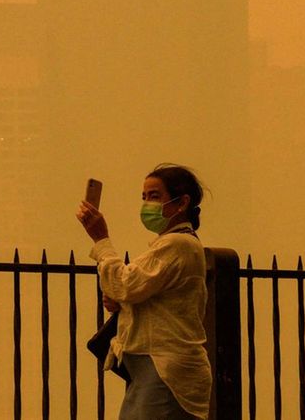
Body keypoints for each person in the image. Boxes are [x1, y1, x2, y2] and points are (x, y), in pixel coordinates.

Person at [76, 164, 212, 420]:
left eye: (155, 196)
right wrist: (124, 303)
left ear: (182, 203)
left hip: (164, 371)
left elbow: (126, 285)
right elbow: (146, 295)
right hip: (151, 370)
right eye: (144, 197)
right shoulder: (170, 245)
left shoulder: (178, 244)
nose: (147, 204)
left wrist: (101, 239)